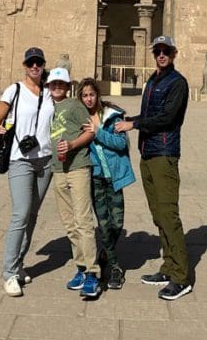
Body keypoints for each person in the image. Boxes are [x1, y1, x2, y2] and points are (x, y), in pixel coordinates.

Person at [115, 35, 192, 300]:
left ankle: (182, 277)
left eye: (166, 51)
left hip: (164, 153)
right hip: (148, 152)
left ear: (174, 53)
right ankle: (168, 266)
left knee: (169, 215)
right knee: (158, 215)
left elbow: (167, 118)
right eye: (157, 51)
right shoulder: (153, 81)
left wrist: (134, 125)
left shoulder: (177, 83)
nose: (161, 54)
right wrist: (129, 119)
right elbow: (150, 116)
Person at [0, 46, 55, 297]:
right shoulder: (13, 90)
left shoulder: (50, 92)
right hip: (20, 160)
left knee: (33, 215)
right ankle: (8, 273)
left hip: (45, 161)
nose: (35, 66)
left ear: (43, 65)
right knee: (21, 214)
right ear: (25, 66)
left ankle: (18, 265)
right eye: (31, 63)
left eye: (38, 62)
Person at [48, 67, 100, 299]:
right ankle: (80, 267)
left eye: (61, 84)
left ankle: (92, 273)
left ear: (68, 86)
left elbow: (90, 132)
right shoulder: (47, 107)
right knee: (70, 223)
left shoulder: (75, 105)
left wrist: (71, 145)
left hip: (78, 167)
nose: (57, 87)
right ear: (49, 86)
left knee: (83, 221)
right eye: (53, 84)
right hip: (58, 170)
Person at [79, 77, 134, 290]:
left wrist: (98, 132)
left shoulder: (112, 116)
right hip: (95, 178)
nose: (89, 98)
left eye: (91, 94)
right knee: (103, 225)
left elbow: (121, 143)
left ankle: (105, 253)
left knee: (117, 223)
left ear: (98, 95)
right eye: (84, 95)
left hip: (115, 177)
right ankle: (115, 267)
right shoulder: (79, 118)